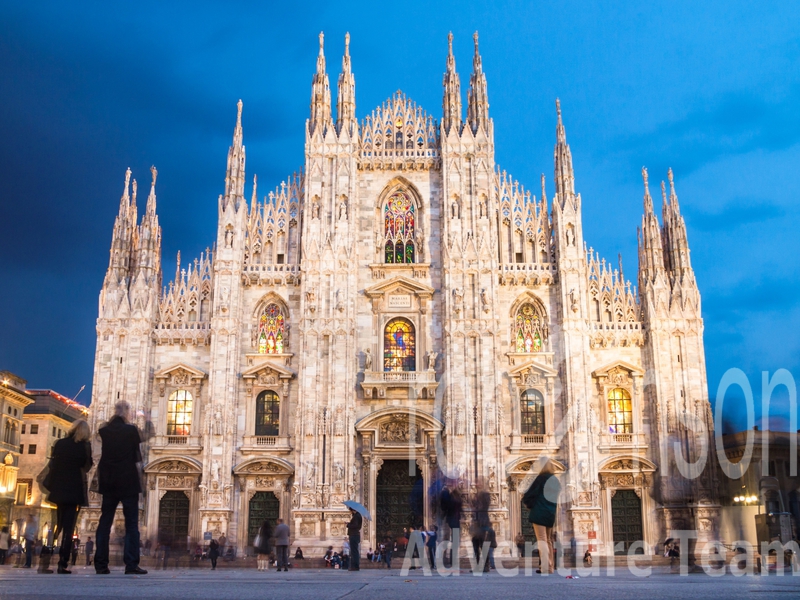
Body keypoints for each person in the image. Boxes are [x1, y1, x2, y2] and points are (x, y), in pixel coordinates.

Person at [93, 401, 147, 575]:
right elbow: (142, 441)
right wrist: (145, 419)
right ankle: (131, 564)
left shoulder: (104, 430)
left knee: (104, 521)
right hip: (128, 481)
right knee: (132, 524)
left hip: (108, 480)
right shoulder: (131, 430)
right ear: (126, 413)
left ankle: (101, 564)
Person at [521, 459, 560, 574]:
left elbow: (530, 494)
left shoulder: (540, 479)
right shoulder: (555, 481)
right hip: (550, 513)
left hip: (539, 512)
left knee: (542, 540)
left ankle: (545, 567)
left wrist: (528, 504)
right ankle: (550, 567)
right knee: (548, 540)